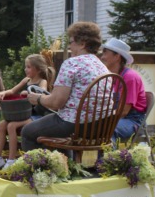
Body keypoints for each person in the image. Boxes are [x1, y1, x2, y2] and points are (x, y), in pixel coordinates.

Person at [21, 21, 109, 151]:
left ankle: (40, 169)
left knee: (28, 131)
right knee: (54, 125)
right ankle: (65, 165)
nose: (69, 46)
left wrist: (38, 99)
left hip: (75, 125)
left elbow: (57, 102)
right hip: (100, 126)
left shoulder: (72, 64)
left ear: (82, 43)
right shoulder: (102, 66)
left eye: (71, 42)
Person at [0, 54, 54, 172]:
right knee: (2, 124)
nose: (25, 69)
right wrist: (2, 94)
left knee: (12, 125)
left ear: (37, 69)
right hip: (23, 114)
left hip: (36, 115)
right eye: (25, 67)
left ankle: (12, 160)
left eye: (28, 67)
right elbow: (12, 91)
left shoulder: (42, 81)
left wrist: (28, 94)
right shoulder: (26, 80)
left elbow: (42, 94)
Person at [100, 37, 148, 142]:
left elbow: (124, 111)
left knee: (105, 129)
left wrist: (101, 120)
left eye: (105, 53)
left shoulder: (130, 77)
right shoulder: (110, 76)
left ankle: (109, 158)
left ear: (117, 56)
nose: (102, 57)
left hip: (132, 120)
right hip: (115, 117)